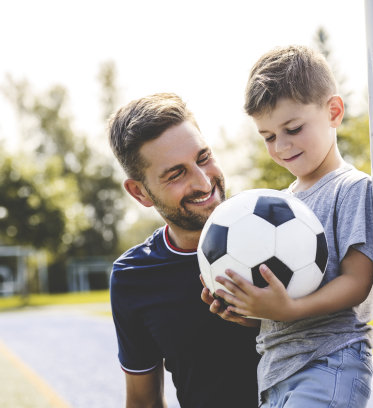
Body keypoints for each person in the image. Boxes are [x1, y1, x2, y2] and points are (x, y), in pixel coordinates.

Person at [202, 45, 373, 407]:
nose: (281, 146)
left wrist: (287, 309)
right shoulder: (275, 205)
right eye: (269, 136)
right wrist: (245, 307)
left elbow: (356, 282)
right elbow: (279, 311)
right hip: (276, 372)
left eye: (292, 128)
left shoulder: (351, 188)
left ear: (333, 112)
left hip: (329, 363)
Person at [108, 93, 261, 408]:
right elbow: (143, 402)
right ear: (139, 192)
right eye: (176, 174)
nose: (204, 182)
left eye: (203, 157)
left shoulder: (280, 229)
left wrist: (267, 318)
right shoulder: (133, 278)